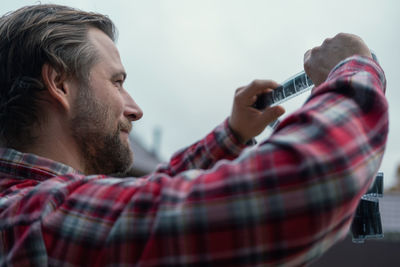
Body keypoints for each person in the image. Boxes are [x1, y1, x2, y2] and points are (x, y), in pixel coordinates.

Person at [0, 4, 388, 267]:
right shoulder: (36, 219)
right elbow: (304, 189)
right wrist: (353, 70)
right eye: (116, 82)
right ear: (59, 84)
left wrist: (233, 135)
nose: (134, 109)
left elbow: (146, 202)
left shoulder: (29, 210)